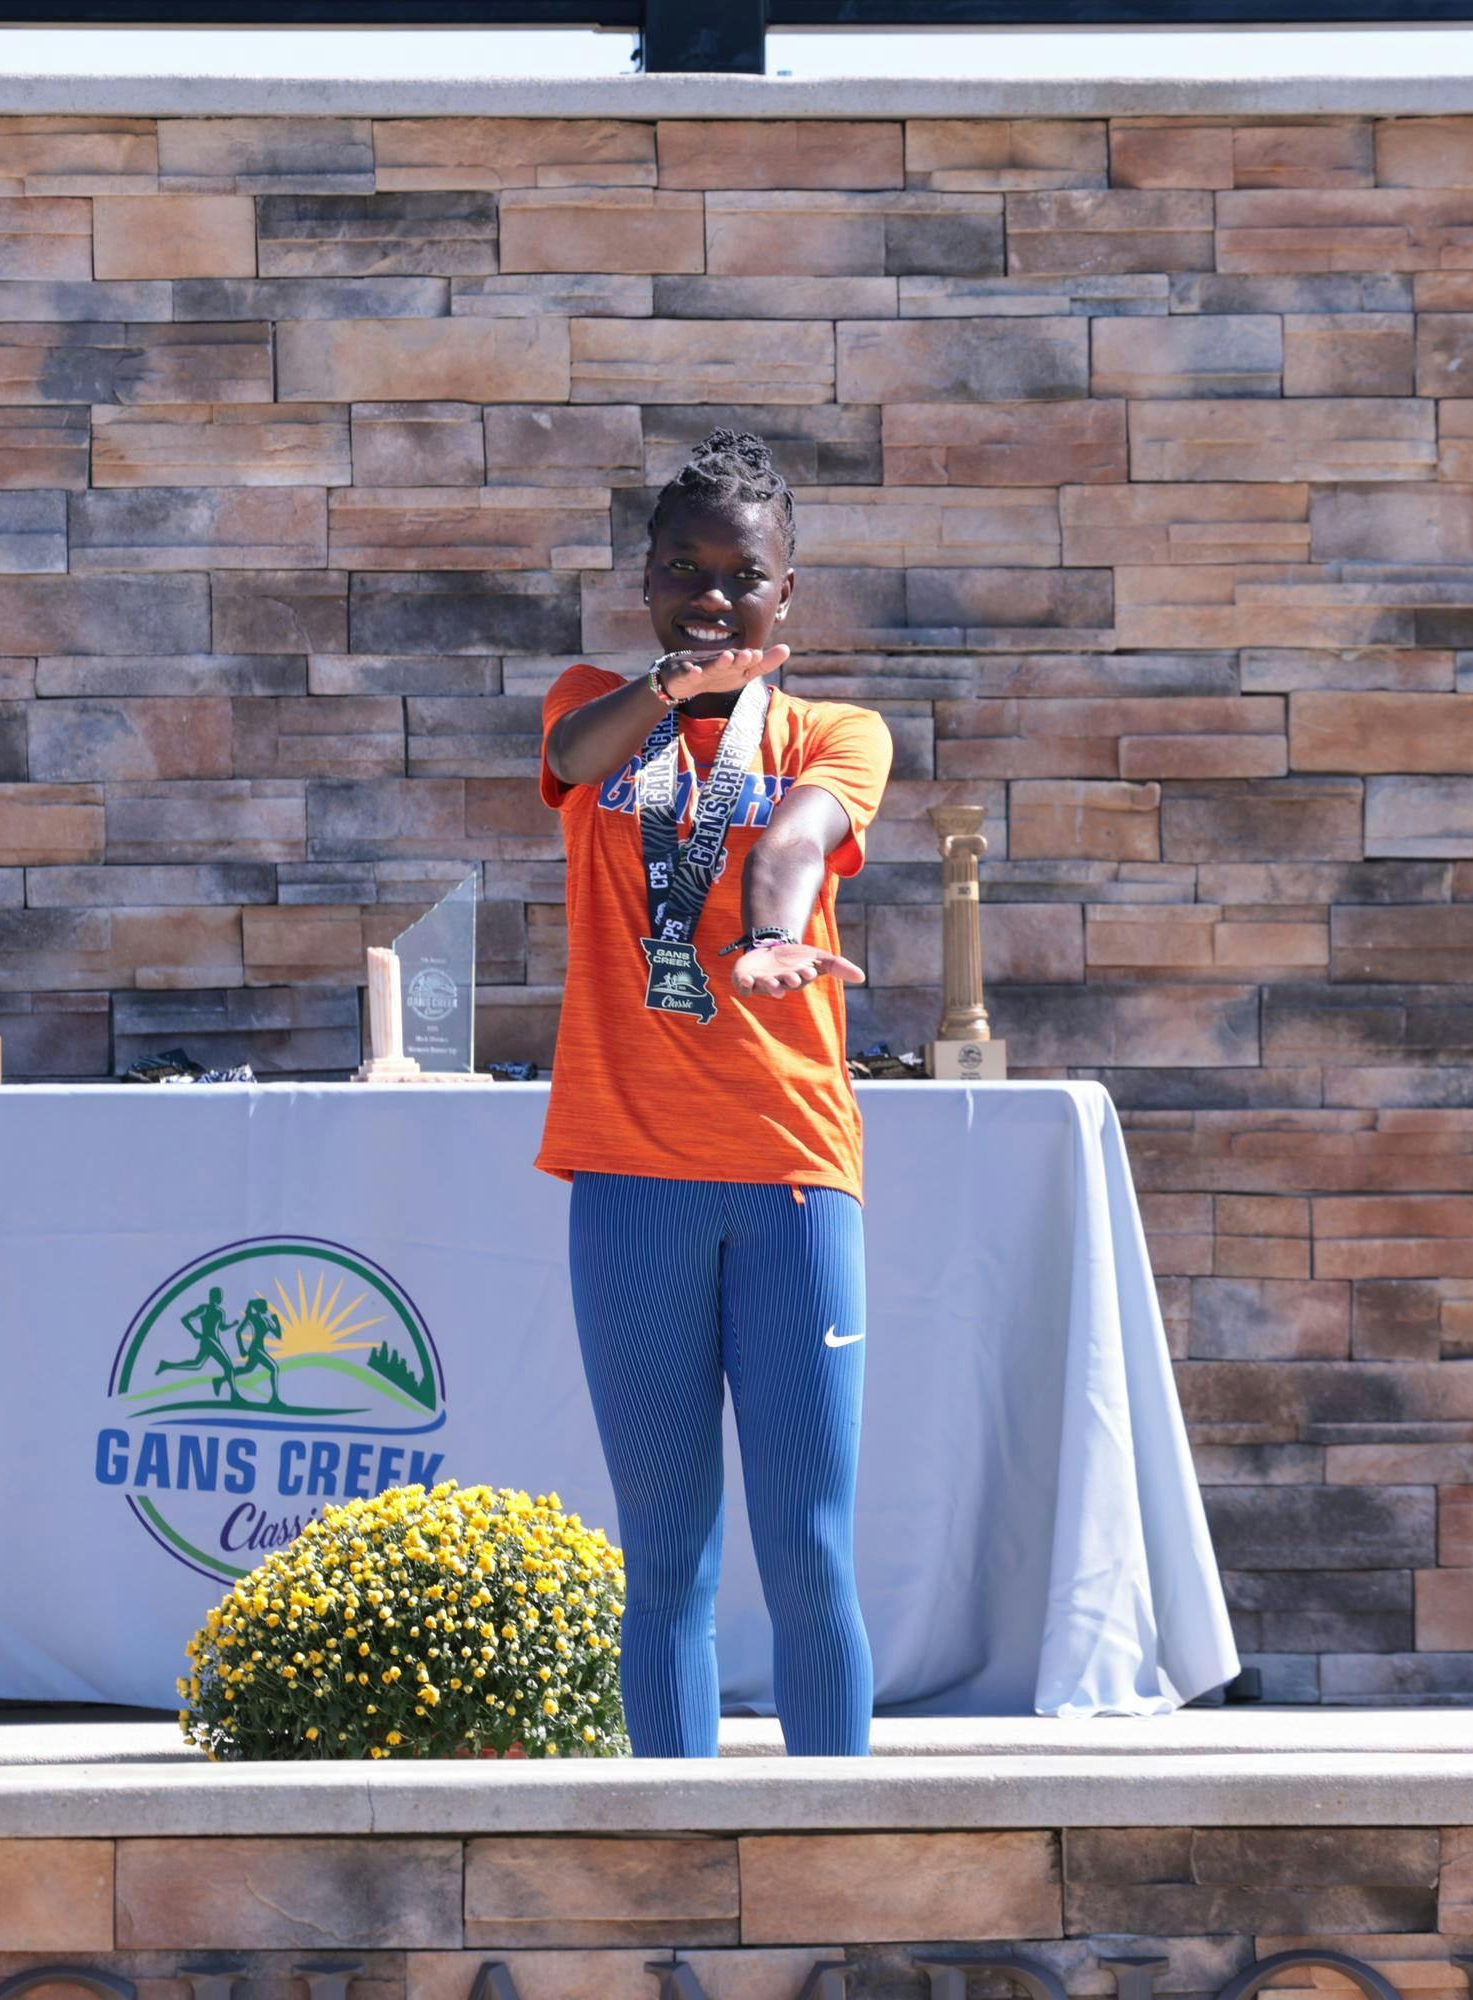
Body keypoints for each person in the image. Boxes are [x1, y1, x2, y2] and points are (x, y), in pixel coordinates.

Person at [535, 429, 894, 1759]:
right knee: (667, 1552)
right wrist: (670, 687)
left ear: (784, 592)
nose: (710, 593)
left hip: (793, 1175)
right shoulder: (594, 702)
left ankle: (837, 1860)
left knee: (807, 1547)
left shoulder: (835, 728)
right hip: (630, 1177)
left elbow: (800, 827)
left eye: (740, 574)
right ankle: (673, 1865)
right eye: (682, 568)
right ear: (644, 583)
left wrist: (765, 930)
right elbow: (575, 762)